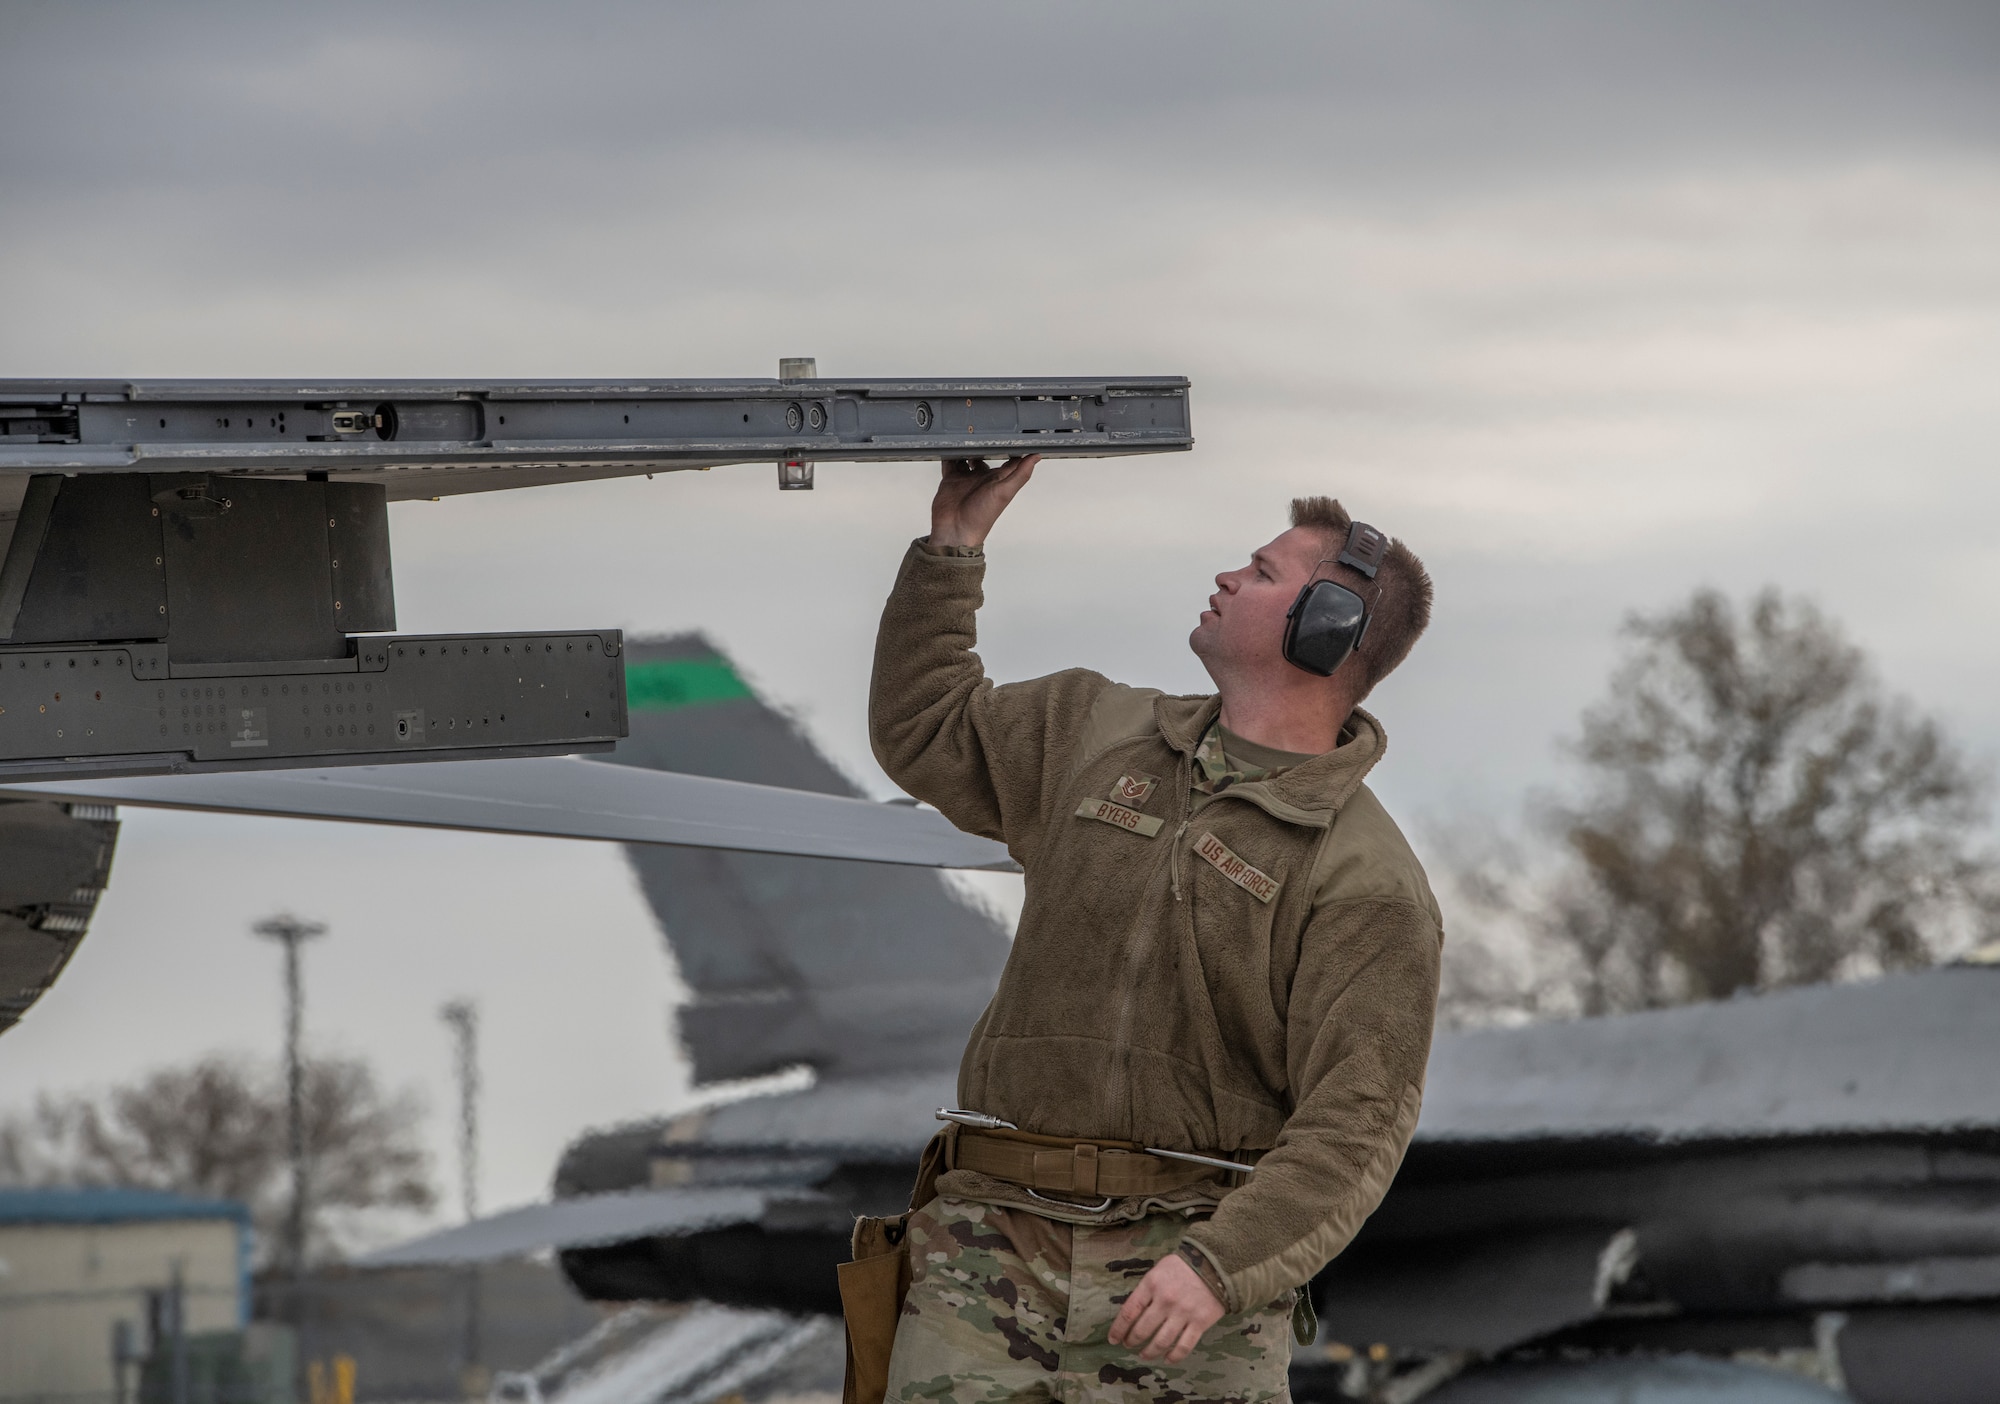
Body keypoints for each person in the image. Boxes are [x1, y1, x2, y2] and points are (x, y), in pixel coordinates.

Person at [868, 455, 1444, 1403]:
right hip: (989, 1254)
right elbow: (924, 728)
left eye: (1261, 573)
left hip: (1187, 1295)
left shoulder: (1366, 881)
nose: (1227, 577)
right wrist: (951, 549)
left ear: (1326, 632)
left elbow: (1359, 1119)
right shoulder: (1091, 730)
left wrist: (1222, 1265)